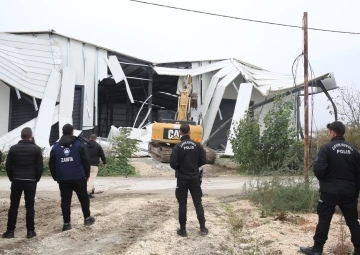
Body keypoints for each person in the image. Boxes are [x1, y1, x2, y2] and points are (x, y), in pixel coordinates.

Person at [300, 121, 360, 255]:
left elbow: (318, 170)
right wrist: (356, 194)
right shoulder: (354, 151)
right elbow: (358, 175)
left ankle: (317, 250)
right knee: (352, 221)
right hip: (349, 192)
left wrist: (326, 182)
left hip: (329, 192)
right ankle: (358, 249)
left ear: (332, 132)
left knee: (324, 219)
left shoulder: (326, 149)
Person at [49, 124, 95, 231]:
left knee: (65, 200)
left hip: (63, 178)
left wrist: (56, 176)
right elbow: (86, 160)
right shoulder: (79, 145)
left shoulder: (55, 147)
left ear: (62, 132)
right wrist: (87, 175)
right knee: (83, 198)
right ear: (72, 132)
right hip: (78, 177)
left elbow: (52, 164)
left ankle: (66, 224)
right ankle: (87, 218)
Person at [2, 127, 43, 239]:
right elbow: (40, 167)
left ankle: (10, 231)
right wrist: (36, 179)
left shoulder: (13, 148)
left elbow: (8, 166)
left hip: (16, 180)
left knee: (13, 206)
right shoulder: (36, 149)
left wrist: (12, 177)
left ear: (21, 136)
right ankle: (30, 231)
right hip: (30, 181)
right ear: (31, 136)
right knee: (30, 206)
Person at [170, 124, 208, 237]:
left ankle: (183, 230)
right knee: (198, 202)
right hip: (195, 178)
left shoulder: (178, 147)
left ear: (180, 132)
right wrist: (194, 167)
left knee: (182, 203)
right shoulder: (197, 145)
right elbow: (203, 160)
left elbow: (172, 163)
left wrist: (180, 168)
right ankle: (203, 228)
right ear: (190, 132)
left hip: (182, 179)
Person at [86, 134, 107, 198]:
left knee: (87, 178)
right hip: (94, 165)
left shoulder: (85, 146)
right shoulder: (98, 146)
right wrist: (104, 163)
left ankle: (92, 189)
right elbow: (102, 155)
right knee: (91, 178)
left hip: (86, 164)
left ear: (90, 138)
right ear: (96, 139)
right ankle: (88, 192)